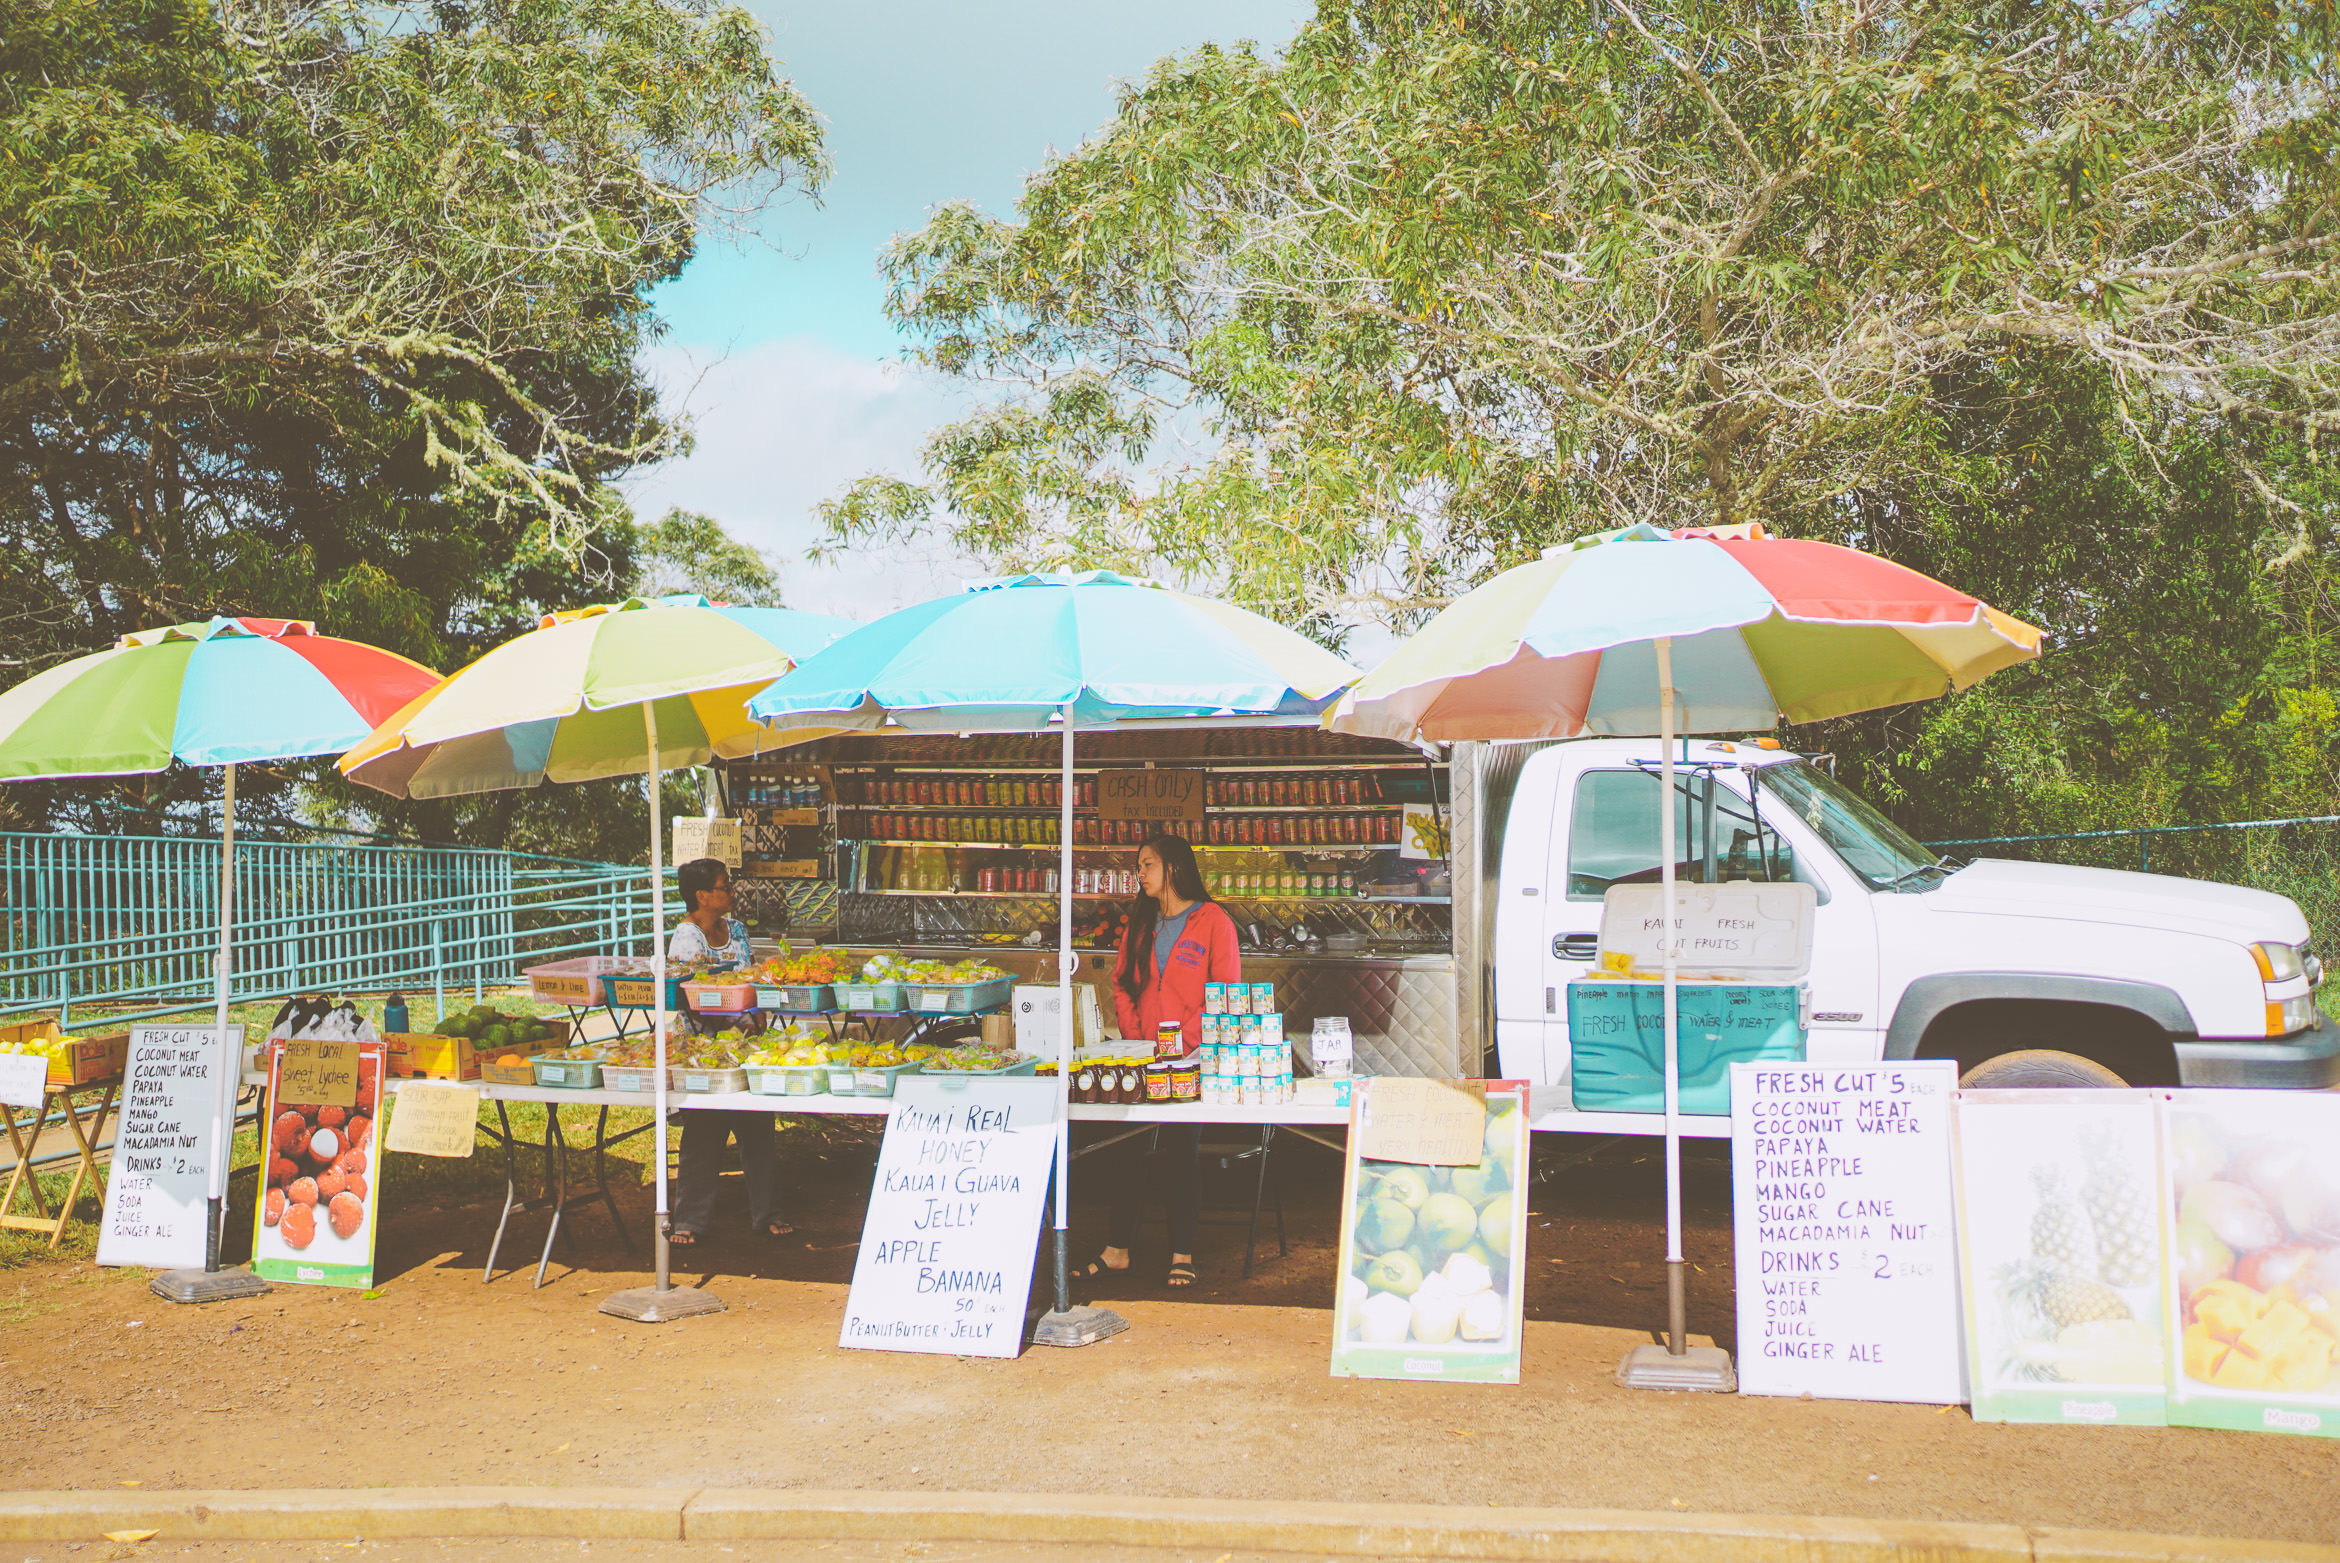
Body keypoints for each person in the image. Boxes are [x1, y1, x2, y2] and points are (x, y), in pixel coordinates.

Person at [1081, 834, 1240, 1288]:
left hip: (1192, 1060)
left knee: (1181, 1151)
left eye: (1147, 864)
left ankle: (1182, 1252)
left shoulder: (1214, 921)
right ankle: (1117, 1250)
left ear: (1172, 867)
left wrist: (1180, 1045)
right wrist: (1136, 1039)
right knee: (1127, 1149)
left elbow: (1224, 993)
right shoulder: (1142, 921)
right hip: (1143, 1059)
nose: (1140, 873)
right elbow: (1121, 983)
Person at [666, 857, 790, 1244]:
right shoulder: (687, 939)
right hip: (704, 1049)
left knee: (758, 1131)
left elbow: (750, 976)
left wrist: (757, 1021)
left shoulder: (736, 929)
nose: (731, 892)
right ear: (702, 896)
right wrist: (730, 1028)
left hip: (747, 1044)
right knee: (703, 1135)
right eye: (725, 886)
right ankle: (689, 1221)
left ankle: (766, 1213)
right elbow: (689, 998)